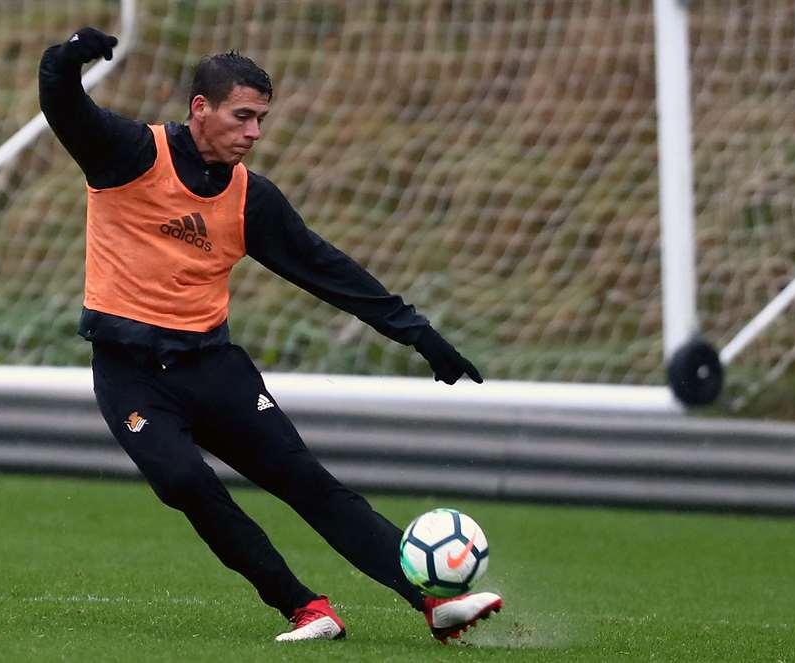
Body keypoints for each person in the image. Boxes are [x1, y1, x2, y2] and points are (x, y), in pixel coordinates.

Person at [38, 27, 504, 643]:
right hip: (131, 375)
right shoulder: (128, 153)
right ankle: (305, 607)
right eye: (243, 116)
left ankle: (434, 601)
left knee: (306, 482)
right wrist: (73, 51)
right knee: (185, 482)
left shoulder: (251, 199)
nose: (254, 132)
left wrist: (420, 335)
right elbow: (60, 97)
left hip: (214, 368)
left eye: (261, 119)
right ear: (200, 108)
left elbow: (328, 270)